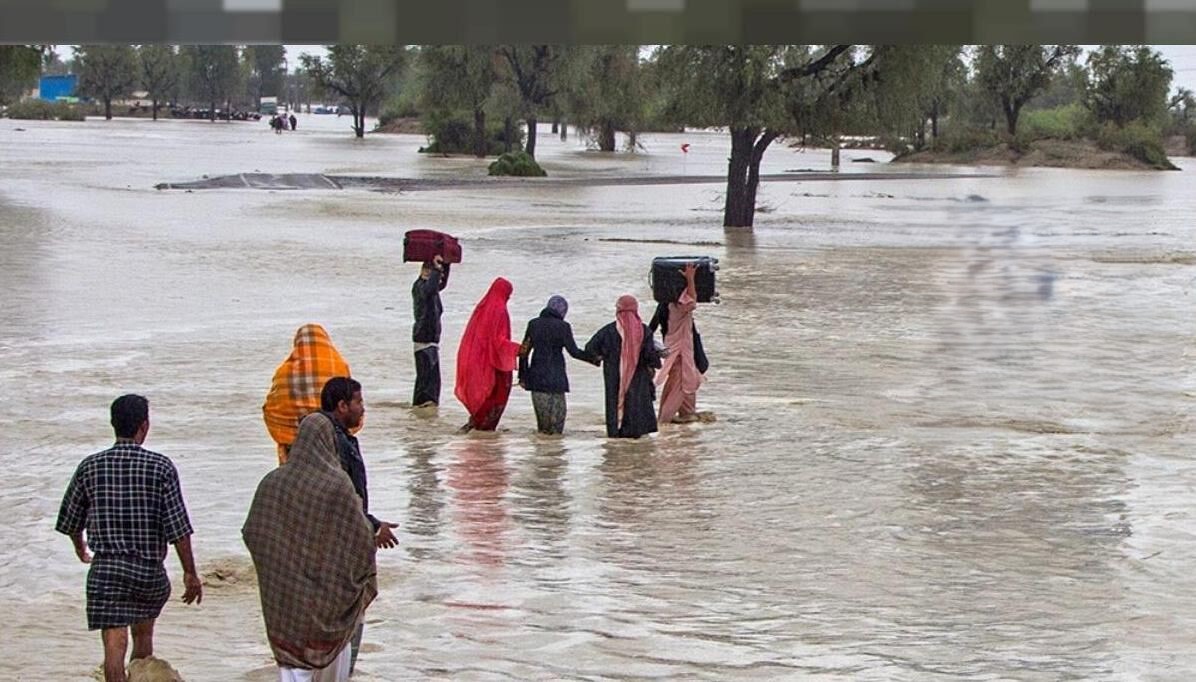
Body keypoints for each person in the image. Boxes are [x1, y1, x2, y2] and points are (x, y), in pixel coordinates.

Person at [55, 395, 202, 682]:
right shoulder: (161, 467)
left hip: (107, 569)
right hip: (148, 571)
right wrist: (190, 573)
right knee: (143, 641)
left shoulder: (90, 466)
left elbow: (70, 520)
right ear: (144, 426)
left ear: (113, 424)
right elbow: (178, 527)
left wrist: (81, 547)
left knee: (113, 647)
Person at [243, 413, 377, 682]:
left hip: (287, 604)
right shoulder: (338, 486)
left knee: (293, 673)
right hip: (330, 602)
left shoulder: (272, 483)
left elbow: (254, 532)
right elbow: (360, 540)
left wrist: (280, 567)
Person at [320, 376, 398, 674]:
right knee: (348, 616)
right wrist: (371, 527)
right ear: (342, 406)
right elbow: (341, 499)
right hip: (340, 548)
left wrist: (372, 522)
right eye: (358, 402)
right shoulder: (337, 442)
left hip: (331, 544)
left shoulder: (327, 437)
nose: (363, 408)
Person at [263, 323, 351, 465]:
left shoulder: (284, 372)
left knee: (298, 483)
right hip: (333, 441)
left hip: (295, 445)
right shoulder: (339, 367)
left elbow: (272, 408)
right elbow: (349, 405)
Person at [584, 295, 663, 439]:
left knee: (614, 404)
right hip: (638, 377)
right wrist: (656, 362)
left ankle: (616, 434)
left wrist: (601, 358)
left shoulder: (608, 330)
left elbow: (590, 349)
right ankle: (635, 437)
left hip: (613, 377)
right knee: (636, 405)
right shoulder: (644, 331)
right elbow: (650, 356)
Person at [517, 294, 595, 434]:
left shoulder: (533, 324)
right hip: (557, 380)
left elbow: (524, 352)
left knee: (543, 429)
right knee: (557, 430)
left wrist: (523, 377)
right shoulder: (563, 327)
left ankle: (542, 454)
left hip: (537, 380)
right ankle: (556, 455)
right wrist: (594, 359)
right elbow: (574, 352)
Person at [455, 277, 522, 432]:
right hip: (494, 364)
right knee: (495, 397)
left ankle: (475, 423)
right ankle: (482, 429)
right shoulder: (500, 311)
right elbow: (498, 342)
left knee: (485, 396)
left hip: (478, 361)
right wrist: (519, 349)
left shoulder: (482, 308)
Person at [654, 264, 705, 424]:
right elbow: (691, 302)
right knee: (682, 386)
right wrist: (690, 278)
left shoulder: (666, 306)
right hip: (681, 353)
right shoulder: (680, 308)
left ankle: (686, 415)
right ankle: (664, 423)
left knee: (680, 383)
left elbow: (652, 326)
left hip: (674, 351)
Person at [412, 255, 450, 407]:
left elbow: (439, 284)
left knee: (432, 382)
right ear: (425, 271)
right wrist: (437, 268)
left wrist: (446, 265)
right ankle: (422, 408)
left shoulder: (430, 289)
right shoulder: (420, 287)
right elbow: (431, 288)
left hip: (430, 340)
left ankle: (424, 408)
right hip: (424, 339)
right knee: (427, 384)